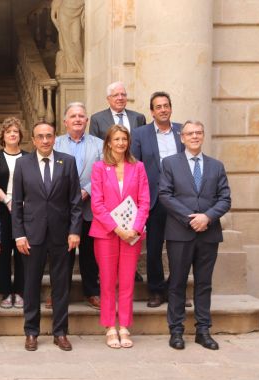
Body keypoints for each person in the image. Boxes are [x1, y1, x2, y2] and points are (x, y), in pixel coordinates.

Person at [159, 120, 231, 351]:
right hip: (180, 233)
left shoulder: (216, 166)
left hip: (208, 234)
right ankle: (177, 331)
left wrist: (207, 217)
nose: (194, 137)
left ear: (203, 136)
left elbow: (225, 199)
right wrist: (191, 218)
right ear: (182, 137)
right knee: (177, 283)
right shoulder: (169, 163)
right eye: (190, 133)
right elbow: (165, 195)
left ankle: (203, 330)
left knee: (204, 284)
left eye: (199, 133)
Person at [12, 122, 83, 352]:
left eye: (49, 136)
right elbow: (16, 204)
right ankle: (31, 332)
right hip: (32, 236)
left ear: (55, 138)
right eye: (40, 137)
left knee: (61, 286)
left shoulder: (67, 162)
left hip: (62, 236)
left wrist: (74, 231)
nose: (45, 140)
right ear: (33, 140)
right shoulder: (23, 164)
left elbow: (75, 202)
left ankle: (60, 332)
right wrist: (19, 235)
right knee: (31, 286)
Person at [89, 125, 150, 349]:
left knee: (126, 282)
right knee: (107, 282)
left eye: (124, 139)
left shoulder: (138, 167)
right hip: (106, 233)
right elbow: (97, 203)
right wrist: (117, 228)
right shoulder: (99, 168)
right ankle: (109, 326)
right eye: (116, 139)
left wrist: (135, 227)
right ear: (108, 142)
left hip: (132, 234)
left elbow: (145, 201)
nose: (121, 143)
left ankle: (124, 325)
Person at [130, 91, 184, 308]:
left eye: (166, 106)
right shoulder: (141, 134)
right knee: (153, 247)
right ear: (151, 112)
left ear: (170, 108)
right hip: (154, 198)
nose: (163, 110)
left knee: (180, 247)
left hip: (181, 198)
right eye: (158, 107)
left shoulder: (182, 131)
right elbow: (135, 167)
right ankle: (156, 290)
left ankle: (175, 289)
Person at [54, 102, 103, 310]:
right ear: (65, 121)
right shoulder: (55, 143)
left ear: (87, 120)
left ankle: (91, 292)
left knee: (89, 254)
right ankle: (58, 293)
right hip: (62, 208)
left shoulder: (99, 144)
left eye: (81, 116)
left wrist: (87, 190)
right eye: (73, 116)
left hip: (90, 206)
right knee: (61, 254)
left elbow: (103, 171)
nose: (77, 119)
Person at [0, 117, 29, 309]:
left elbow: (33, 183)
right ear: (3, 135)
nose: (12, 134)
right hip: (1, 209)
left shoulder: (28, 157)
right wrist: (7, 200)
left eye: (16, 131)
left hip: (25, 210)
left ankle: (19, 292)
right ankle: (5, 292)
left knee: (22, 252)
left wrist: (21, 202)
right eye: (8, 131)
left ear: (20, 136)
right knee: (2, 253)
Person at [50, 0, 85, 74]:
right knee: (67, 43)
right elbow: (53, 17)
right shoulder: (57, 1)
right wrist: (59, 28)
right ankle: (72, 67)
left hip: (76, 16)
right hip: (64, 16)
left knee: (76, 41)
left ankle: (80, 66)